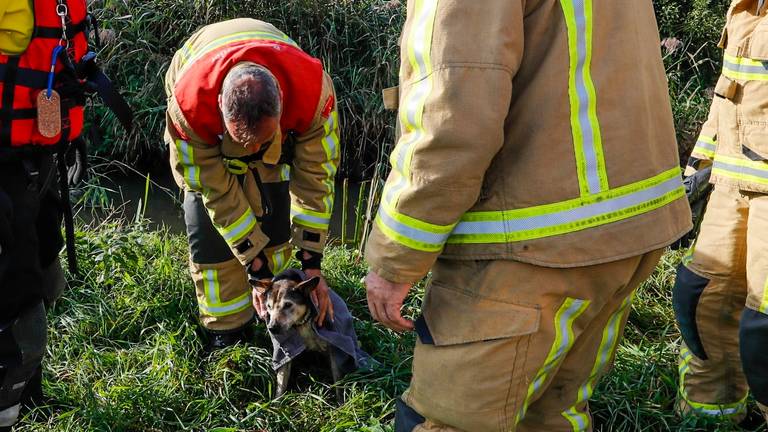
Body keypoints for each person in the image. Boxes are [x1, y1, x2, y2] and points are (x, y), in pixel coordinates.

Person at [363, 1, 692, 430]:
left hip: (528, 250)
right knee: (553, 416)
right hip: (626, 230)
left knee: (446, 421)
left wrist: (393, 258)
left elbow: (449, 121)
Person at [164, 18, 340, 352]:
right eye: (242, 142)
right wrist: (253, 264)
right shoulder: (188, 109)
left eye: (258, 142)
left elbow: (315, 183)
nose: (249, 153)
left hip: (279, 111)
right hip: (199, 93)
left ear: (282, 108)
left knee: (274, 215)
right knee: (211, 232)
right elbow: (218, 194)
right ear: (219, 108)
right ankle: (226, 333)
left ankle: (272, 308)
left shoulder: (315, 95)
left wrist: (311, 264)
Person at [672, 0, 768, 425]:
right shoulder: (747, 6)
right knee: (702, 300)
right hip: (732, 186)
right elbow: (729, 91)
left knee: (764, 332)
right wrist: (696, 170)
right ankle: (710, 416)